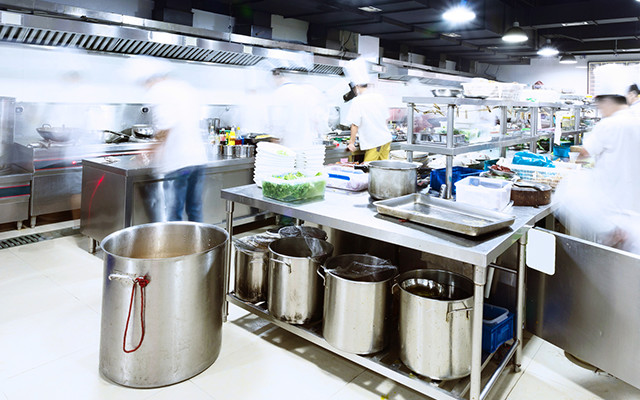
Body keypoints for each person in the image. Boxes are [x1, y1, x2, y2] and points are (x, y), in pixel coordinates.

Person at [555, 93, 640, 253]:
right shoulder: (636, 120)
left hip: (613, 205)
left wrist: (574, 167)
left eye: (600, 107)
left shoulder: (609, 124)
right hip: (634, 208)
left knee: (612, 256)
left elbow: (585, 152)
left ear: (608, 103)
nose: (601, 111)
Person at [130, 57, 208, 222]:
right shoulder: (184, 87)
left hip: (179, 163)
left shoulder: (159, 90)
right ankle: (198, 239)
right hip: (197, 160)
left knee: (173, 212)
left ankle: (175, 240)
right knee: (194, 209)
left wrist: (147, 150)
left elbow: (165, 127)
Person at [344, 59, 391, 161]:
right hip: (386, 139)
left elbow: (354, 124)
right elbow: (386, 119)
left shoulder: (358, 101)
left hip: (375, 142)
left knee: (369, 167)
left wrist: (351, 143)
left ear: (356, 87)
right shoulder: (379, 97)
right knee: (383, 167)